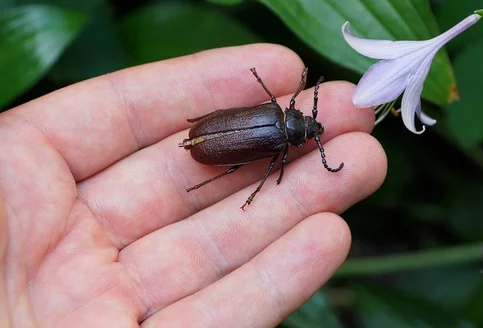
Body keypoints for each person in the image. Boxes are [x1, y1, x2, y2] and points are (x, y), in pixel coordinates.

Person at [0, 44, 387, 327]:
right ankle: (228, 173)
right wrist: (258, 188)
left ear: (295, 116)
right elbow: (272, 166)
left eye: (310, 134)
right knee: (243, 168)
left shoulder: (274, 111)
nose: (311, 130)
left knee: (240, 162)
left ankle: (220, 162)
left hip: (209, 134)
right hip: (208, 139)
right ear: (298, 134)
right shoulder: (279, 144)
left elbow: (249, 129)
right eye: (310, 134)